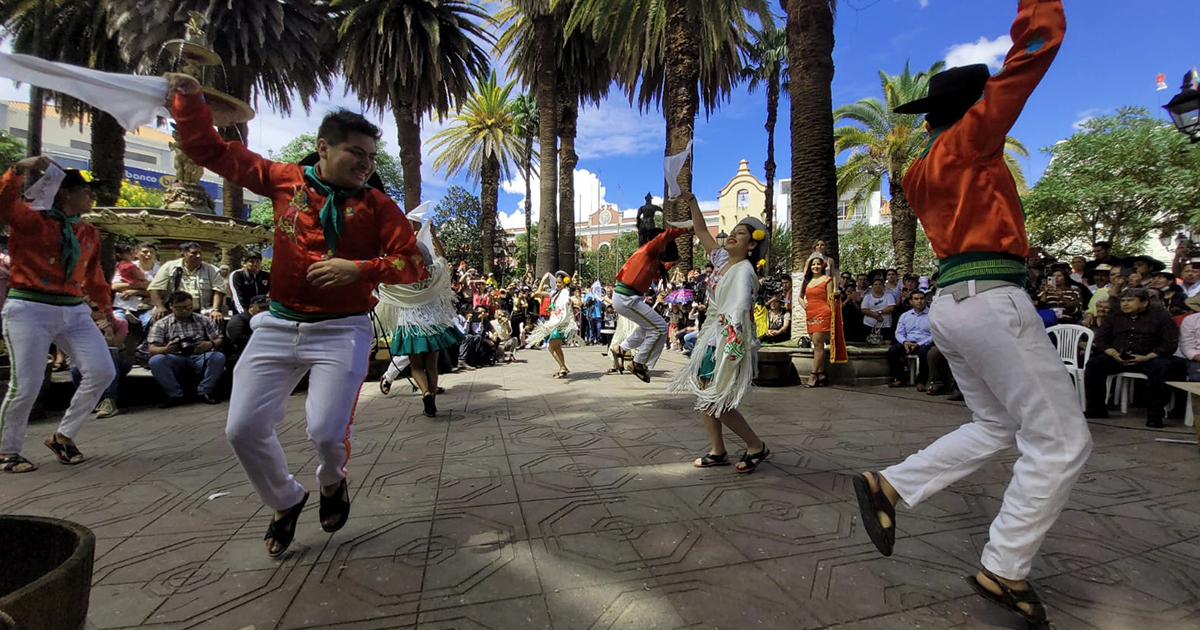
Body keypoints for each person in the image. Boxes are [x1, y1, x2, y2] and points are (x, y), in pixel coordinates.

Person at [851, 4, 1091, 629]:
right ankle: (1005, 566)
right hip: (991, 300)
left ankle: (891, 486)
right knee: (1062, 441)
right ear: (970, 110)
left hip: (950, 306)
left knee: (994, 425)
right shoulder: (969, 139)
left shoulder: (918, 167)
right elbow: (1033, 51)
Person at [166, 72, 429, 557]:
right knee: (241, 428)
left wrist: (361, 268)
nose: (367, 166)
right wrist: (187, 99)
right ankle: (285, 499)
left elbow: (414, 264)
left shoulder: (378, 205)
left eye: (372, 158)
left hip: (342, 331)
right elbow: (212, 153)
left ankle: (333, 482)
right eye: (357, 154)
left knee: (326, 433)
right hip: (276, 325)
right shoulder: (283, 180)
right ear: (323, 148)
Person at [0, 159, 116, 474]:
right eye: (86, 192)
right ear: (66, 195)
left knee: (102, 371)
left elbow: (94, 276)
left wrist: (105, 310)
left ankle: (63, 436)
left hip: (74, 309)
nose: (92, 198)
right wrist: (19, 168)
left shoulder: (88, 231)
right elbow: (3, 202)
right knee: (26, 384)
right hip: (29, 307)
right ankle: (6, 451)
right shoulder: (31, 220)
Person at [670, 192, 769, 474]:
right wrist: (691, 200)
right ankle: (718, 450)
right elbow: (701, 230)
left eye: (741, 234)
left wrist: (732, 350)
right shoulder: (722, 257)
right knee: (705, 393)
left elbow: (737, 313)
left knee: (717, 398)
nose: (733, 236)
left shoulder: (744, 271)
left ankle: (755, 445)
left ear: (751, 245)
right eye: (733, 231)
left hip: (726, 340)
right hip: (711, 335)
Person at [376, 220, 462, 417]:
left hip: (410, 324)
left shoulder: (400, 280)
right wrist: (433, 234)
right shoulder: (433, 274)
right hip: (433, 323)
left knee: (416, 367)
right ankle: (431, 399)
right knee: (432, 366)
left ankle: (424, 393)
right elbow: (443, 257)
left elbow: (381, 279)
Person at [1083, 288, 1181, 428]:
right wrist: (1113, 353)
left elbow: (1169, 343)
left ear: (1144, 303)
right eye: (1123, 301)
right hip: (1118, 356)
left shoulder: (1161, 317)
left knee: (1160, 368)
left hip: (1148, 357)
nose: (1125, 304)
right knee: (1094, 364)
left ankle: (1154, 415)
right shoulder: (1115, 316)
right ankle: (1096, 409)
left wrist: (1147, 357)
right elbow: (1101, 339)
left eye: (1130, 300)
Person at [612, 224, 691, 382]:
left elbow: (655, 275)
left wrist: (672, 264)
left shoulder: (651, 258)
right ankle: (639, 363)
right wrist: (687, 229)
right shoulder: (648, 249)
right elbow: (665, 236)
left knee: (648, 328)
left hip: (626, 298)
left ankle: (621, 348)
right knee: (660, 328)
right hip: (627, 299)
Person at [146, 291, 226, 407]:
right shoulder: (162, 324)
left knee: (218, 357)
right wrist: (166, 348)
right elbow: (152, 349)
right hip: (175, 357)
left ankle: (205, 391)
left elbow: (219, 339)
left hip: (199, 355)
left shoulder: (204, 320)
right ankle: (174, 395)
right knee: (156, 360)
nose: (184, 311)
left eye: (188, 307)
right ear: (171, 306)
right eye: (179, 308)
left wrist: (210, 344)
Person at [70, 306, 133, 420]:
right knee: (75, 369)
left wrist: (108, 332)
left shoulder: (120, 323)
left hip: (119, 359)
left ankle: (109, 400)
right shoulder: (83, 325)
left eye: (105, 310)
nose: (102, 313)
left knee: (109, 355)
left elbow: (116, 346)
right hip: (91, 358)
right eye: (97, 311)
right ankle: (88, 400)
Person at [149, 241, 227, 323]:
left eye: (200, 253)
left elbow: (219, 290)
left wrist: (215, 310)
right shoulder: (169, 267)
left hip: (203, 311)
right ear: (183, 255)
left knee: (217, 321)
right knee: (156, 320)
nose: (198, 256)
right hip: (173, 310)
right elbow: (154, 288)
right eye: (194, 253)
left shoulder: (211, 269)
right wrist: (160, 307)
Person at [526, 271, 581, 377]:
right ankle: (562, 367)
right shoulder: (556, 293)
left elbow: (564, 306)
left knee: (551, 347)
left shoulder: (564, 292)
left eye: (559, 282)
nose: (557, 284)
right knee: (558, 348)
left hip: (559, 323)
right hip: (556, 322)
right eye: (556, 282)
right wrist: (542, 280)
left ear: (565, 282)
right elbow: (538, 292)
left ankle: (563, 367)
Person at [801, 255, 839, 386]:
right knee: (817, 344)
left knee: (818, 344)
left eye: (818, 264)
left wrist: (834, 316)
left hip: (823, 313)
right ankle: (822, 374)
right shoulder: (807, 281)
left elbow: (830, 298)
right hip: (810, 313)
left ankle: (813, 375)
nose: (815, 266)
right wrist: (804, 305)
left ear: (822, 266)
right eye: (813, 264)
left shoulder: (827, 280)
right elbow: (800, 297)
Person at [886, 290, 933, 390]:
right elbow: (899, 332)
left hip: (924, 343)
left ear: (926, 300)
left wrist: (919, 344)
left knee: (924, 353)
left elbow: (934, 335)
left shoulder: (932, 315)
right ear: (911, 301)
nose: (919, 301)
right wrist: (904, 342)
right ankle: (899, 379)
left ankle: (921, 381)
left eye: (921, 298)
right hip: (908, 342)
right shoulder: (905, 316)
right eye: (916, 299)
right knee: (892, 351)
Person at [225, 294, 269, 365]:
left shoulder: (267, 321)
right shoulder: (239, 319)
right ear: (251, 307)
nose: (264, 310)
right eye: (262, 307)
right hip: (240, 354)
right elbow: (237, 338)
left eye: (267, 308)